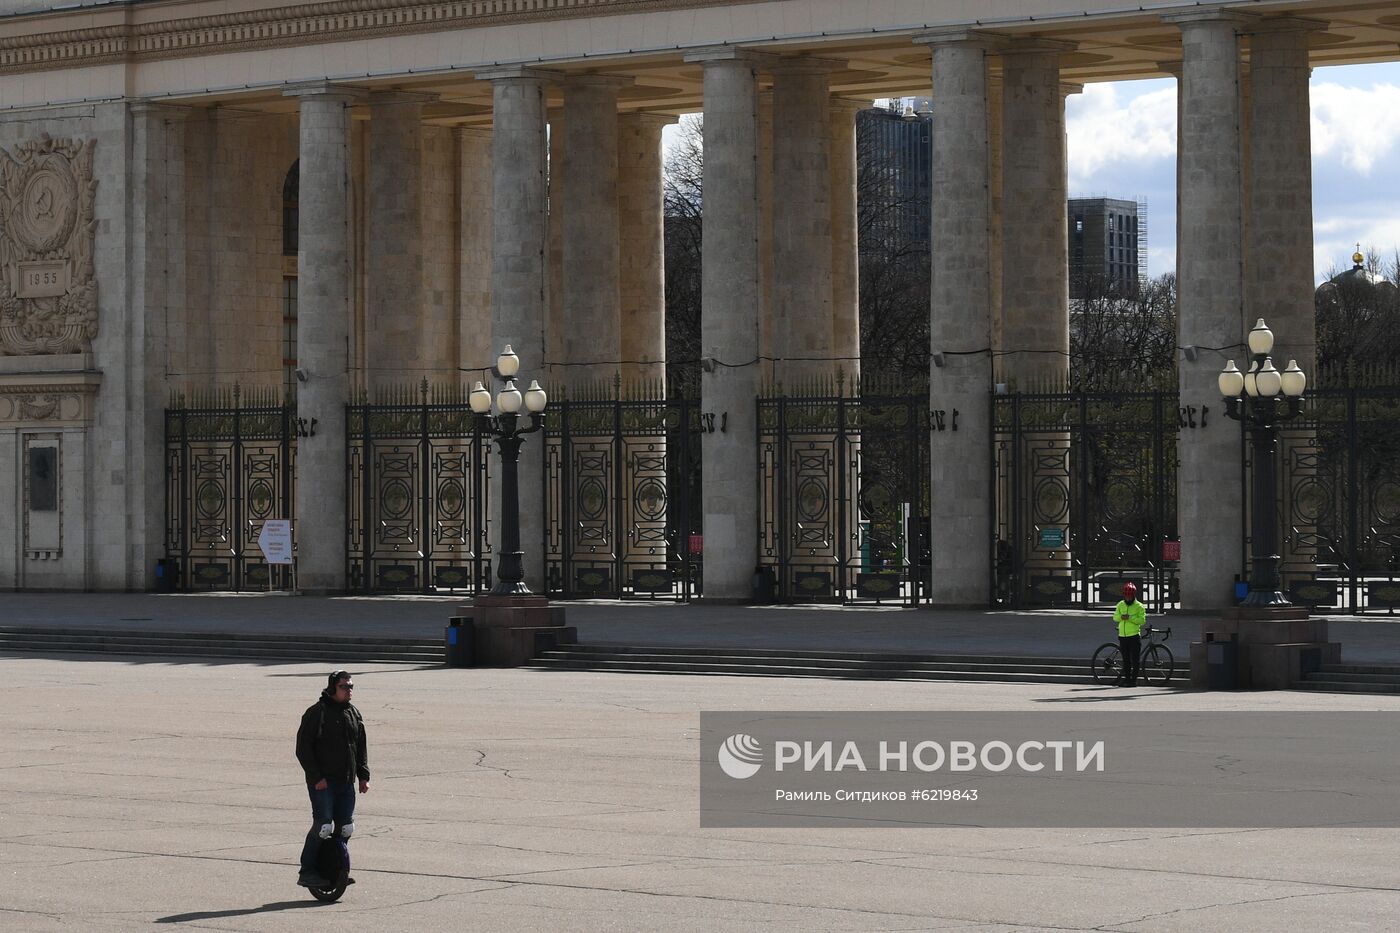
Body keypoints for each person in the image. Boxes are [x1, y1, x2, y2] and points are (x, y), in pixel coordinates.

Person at [294, 670, 370, 887]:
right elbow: (302, 748)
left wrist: (363, 776)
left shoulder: (353, 713)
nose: (349, 691)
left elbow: (360, 747)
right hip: (323, 782)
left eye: (351, 686)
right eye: (344, 687)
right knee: (323, 826)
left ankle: (334, 868)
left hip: (346, 781)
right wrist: (316, 777)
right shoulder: (316, 713)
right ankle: (307, 871)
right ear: (332, 688)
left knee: (346, 827)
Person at [1113, 582, 1146, 687]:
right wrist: (1121, 617)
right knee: (1126, 659)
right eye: (1126, 595)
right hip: (1123, 636)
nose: (1127, 598)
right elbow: (1115, 617)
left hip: (1134, 636)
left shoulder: (1139, 606)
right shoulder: (1120, 604)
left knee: (1135, 660)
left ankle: (1133, 680)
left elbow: (1142, 620)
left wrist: (1130, 618)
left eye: (1129, 596)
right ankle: (1127, 679)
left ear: (1133, 595)